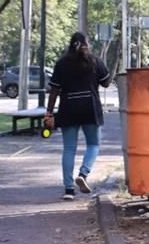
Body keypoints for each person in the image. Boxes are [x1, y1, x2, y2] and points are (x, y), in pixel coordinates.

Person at [44, 32, 111, 200]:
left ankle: (69, 189)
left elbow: (54, 90)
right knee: (93, 144)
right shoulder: (94, 61)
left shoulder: (61, 63)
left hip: (68, 108)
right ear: (87, 44)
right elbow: (106, 82)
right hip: (90, 107)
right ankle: (83, 173)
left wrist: (49, 112)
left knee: (69, 149)